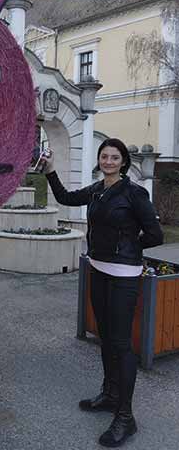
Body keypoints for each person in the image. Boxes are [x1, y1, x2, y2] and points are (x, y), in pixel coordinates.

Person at [42, 138, 163, 448]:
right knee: (106, 338)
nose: (108, 160)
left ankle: (126, 417)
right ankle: (110, 395)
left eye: (114, 157)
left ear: (123, 162)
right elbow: (66, 197)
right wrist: (51, 170)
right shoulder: (97, 189)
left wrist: (127, 247)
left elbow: (155, 234)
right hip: (98, 270)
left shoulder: (135, 193)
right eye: (104, 156)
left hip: (123, 274)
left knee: (121, 344)